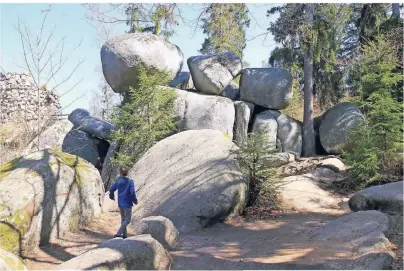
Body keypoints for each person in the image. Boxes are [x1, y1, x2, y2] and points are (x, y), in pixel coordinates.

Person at [109, 166, 138, 239]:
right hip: (127, 203)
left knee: (123, 219)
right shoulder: (130, 181)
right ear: (127, 173)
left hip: (120, 203)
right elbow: (132, 193)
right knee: (127, 220)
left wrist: (111, 196)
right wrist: (134, 200)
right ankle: (119, 233)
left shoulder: (118, 181)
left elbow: (112, 189)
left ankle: (124, 235)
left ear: (120, 173)